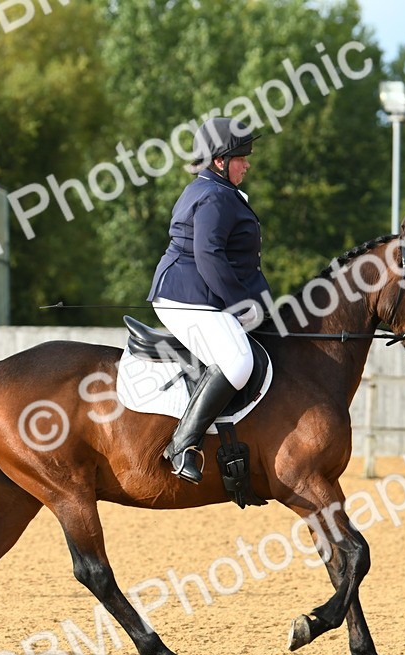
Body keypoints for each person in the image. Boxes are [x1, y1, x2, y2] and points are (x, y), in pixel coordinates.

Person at [146, 117, 271, 484]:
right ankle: (183, 445)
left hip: (198, 294)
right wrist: (241, 303)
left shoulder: (215, 191)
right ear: (219, 161)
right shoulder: (215, 196)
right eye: (241, 157)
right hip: (188, 296)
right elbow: (209, 255)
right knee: (236, 361)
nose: (247, 163)